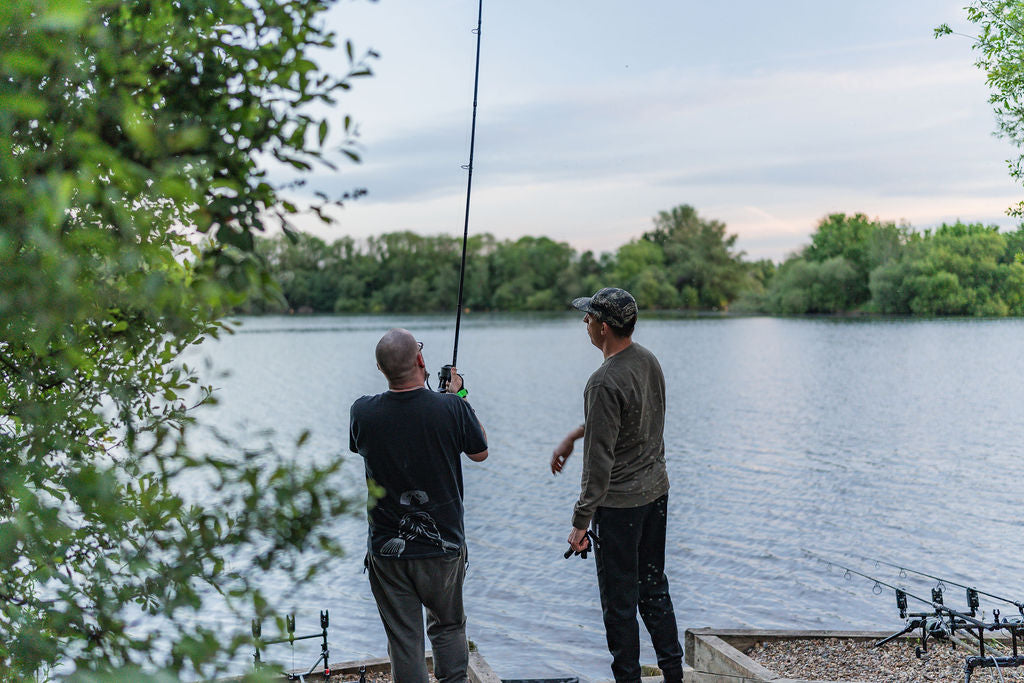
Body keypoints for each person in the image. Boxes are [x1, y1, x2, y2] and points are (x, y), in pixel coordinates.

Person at [551, 287, 684, 683]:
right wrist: (576, 434)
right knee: (653, 589)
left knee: (620, 606)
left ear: (604, 328)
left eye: (589, 317)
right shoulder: (647, 360)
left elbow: (598, 464)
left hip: (620, 508)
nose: (585, 322)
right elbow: (628, 418)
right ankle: (674, 676)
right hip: (656, 494)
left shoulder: (603, 381)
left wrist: (580, 523)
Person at [350, 328, 488, 683]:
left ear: (381, 369)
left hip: (387, 549)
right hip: (443, 547)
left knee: (404, 640)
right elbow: (480, 451)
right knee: (448, 626)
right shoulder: (452, 408)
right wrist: (459, 397)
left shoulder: (362, 412)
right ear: (421, 360)